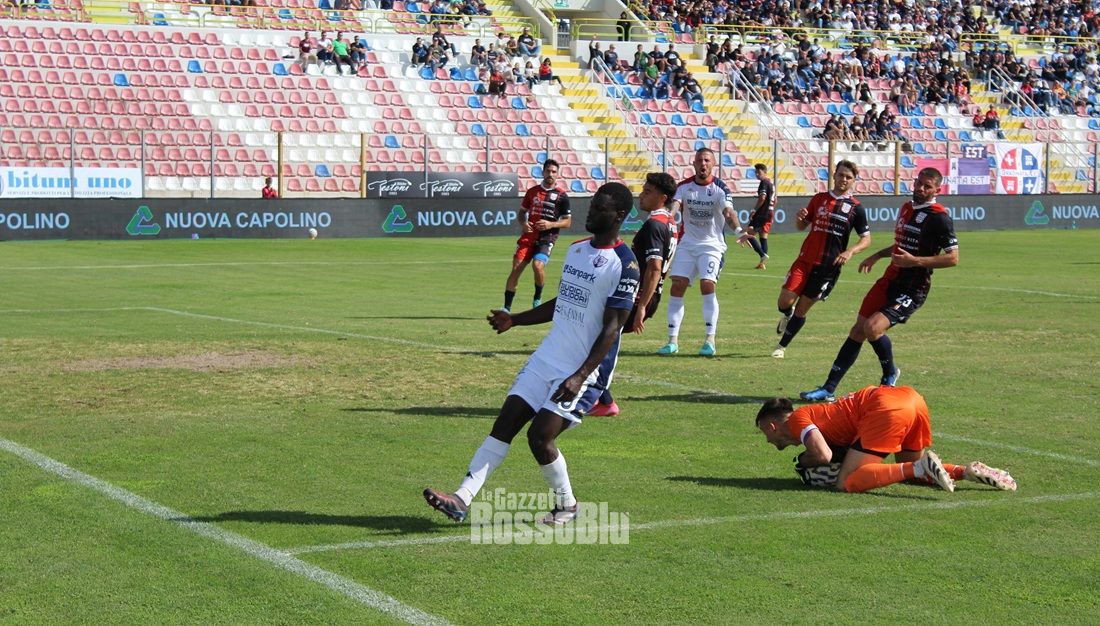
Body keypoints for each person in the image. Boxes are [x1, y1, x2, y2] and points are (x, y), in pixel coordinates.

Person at [424, 183, 640, 525]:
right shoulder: (577, 250)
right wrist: (515, 319)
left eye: (601, 208)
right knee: (504, 424)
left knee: (540, 437)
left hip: (584, 371)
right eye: (592, 205)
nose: (591, 212)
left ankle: (567, 505)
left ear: (619, 216)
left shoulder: (625, 266)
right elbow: (561, 303)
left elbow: (613, 328)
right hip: (547, 357)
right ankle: (462, 498)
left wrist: (580, 376)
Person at [801, 167, 958, 402]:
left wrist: (915, 261)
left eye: (927, 186)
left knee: (873, 328)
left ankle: (890, 373)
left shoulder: (940, 217)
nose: (921, 189)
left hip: (913, 287)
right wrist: (876, 256)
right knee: (858, 330)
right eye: (919, 183)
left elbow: (953, 258)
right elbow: (900, 245)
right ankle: (828, 389)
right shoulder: (906, 208)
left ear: (938, 190)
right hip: (890, 279)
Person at [755, 386, 1017, 493]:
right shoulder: (812, 416)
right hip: (912, 400)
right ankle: (966, 471)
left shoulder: (798, 419)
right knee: (907, 472)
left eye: (765, 433)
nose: (768, 441)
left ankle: (920, 466)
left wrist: (803, 461)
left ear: (771, 426)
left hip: (886, 408)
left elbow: (824, 455)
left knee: (846, 481)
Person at [588, 172, 679, 417]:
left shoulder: (654, 225)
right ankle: (601, 397)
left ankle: (603, 399)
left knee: (606, 339)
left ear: (662, 198)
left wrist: (641, 306)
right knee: (602, 337)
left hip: (637, 296)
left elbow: (655, 268)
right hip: (644, 294)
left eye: (648, 192)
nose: (642, 195)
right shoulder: (669, 222)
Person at [771, 160, 869, 359]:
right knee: (784, 301)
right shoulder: (819, 199)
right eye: (841, 175)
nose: (844, 179)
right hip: (804, 261)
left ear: (854, 181)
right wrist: (799, 218)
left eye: (848, 177)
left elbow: (866, 239)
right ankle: (787, 314)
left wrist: (850, 251)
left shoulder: (856, 208)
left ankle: (781, 347)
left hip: (827, 268)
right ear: (834, 175)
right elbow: (801, 226)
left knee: (802, 308)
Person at [657, 147, 748, 357]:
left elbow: (729, 212)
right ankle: (672, 341)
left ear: (713, 164)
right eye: (699, 160)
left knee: (707, 284)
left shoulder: (720, 188)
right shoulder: (684, 187)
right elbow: (674, 207)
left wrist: (739, 230)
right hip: (688, 244)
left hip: (712, 246)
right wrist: (665, 220)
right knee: (677, 285)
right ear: (694, 164)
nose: (703, 164)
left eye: (707, 160)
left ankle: (709, 340)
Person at [503, 159, 571, 312]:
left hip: (547, 238)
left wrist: (551, 225)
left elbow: (567, 222)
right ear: (543, 172)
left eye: (554, 172)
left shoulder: (562, 196)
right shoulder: (532, 192)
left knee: (538, 265)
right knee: (516, 269)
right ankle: (506, 308)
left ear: (557, 174)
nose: (550, 174)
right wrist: (523, 223)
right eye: (548, 171)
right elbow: (522, 213)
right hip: (528, 237)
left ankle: (537, 298)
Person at [744, 163, 776, 269]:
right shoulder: (771, 184)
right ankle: (762, 264)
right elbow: (776, 199)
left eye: (759, 172)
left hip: (762, 213)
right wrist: (771, 210)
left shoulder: (764, 183)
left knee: (748, 233)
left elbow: (762, 197)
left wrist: (754, 210)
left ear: (765, 172)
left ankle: (762, 254)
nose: (757, 174)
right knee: (763, 236)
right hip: (770, 212)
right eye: (756, 172)